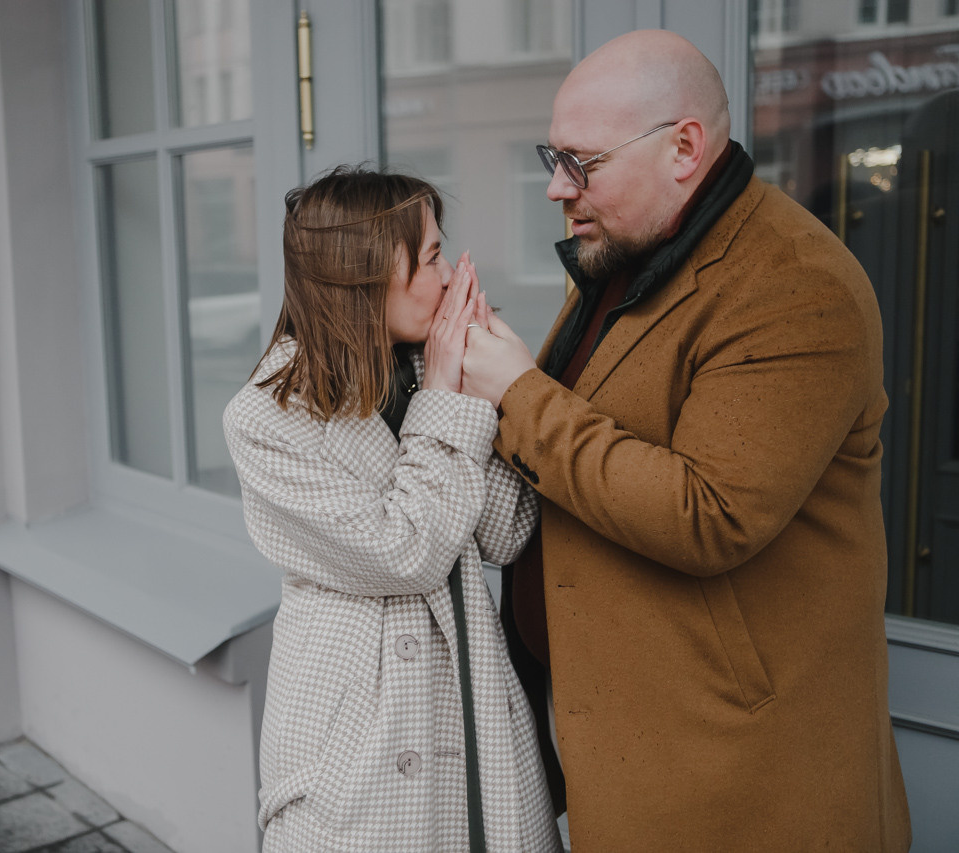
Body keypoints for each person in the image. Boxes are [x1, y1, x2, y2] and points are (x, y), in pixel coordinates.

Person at [461, 29, 912, 853]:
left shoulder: (795, 283)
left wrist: (516, 392)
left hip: (741, 782)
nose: (559, 189)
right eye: (550, 158)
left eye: (583, 162)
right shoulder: (629, 251)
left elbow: (711, 514)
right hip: (632, 745)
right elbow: (587, 434)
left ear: (684, 147)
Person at [224, 166, 562, 852]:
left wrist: (486, 381)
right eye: (433, 256)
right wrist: (448, 398)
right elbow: (405, 553)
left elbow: (506, 532)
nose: (451, 273)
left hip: (470, 704)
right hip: (361, 737)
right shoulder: (266, 416)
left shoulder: (424, 367)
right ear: (368, 273)